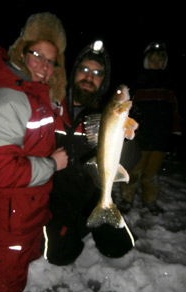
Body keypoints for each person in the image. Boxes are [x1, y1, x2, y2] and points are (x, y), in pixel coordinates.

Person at [0, 12, 68, 292]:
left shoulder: (38, 96)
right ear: (22, 52)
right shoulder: (9, 98)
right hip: (8, 216)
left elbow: (62, 128)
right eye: (37, 56)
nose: (44, 67)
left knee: (13, 267)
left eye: (50, 61)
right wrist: (50, 165)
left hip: (25, 211)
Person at [44, 40, 141, 266]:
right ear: (74, 72)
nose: (90, 77)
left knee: (118, 248)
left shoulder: (105, 114)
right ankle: (76, 226)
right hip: (57, 197)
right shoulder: (51, 107)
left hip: (93, 192)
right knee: (60, 256)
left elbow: (132, 160)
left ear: (103, 81)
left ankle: (91, 218)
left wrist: (128, 139)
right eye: (84, 70)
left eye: (97, 73)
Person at [119, 42, 183, 215]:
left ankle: (149, 202)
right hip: (140, 137)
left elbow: (176, 110)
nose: (157, 63)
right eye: (153, 60)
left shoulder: (170, 83)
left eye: (160, 60)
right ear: (147, 61)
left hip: (161, 138)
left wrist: (176, 134)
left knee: (152, 174)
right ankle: (127, 199)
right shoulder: (138, 81)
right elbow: (125, 107)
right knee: (134, 171)